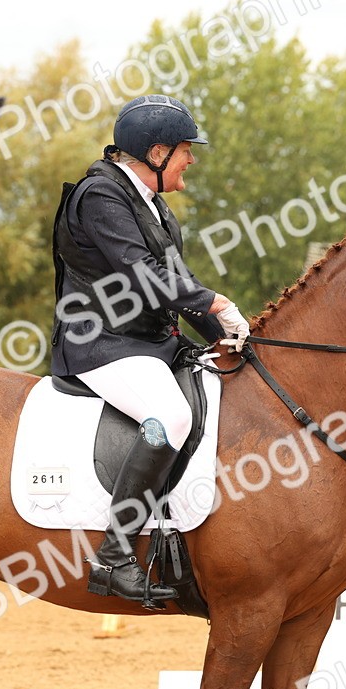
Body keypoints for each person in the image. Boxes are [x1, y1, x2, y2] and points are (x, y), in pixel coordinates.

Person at [50, 94, 249, 605]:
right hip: (100, 343)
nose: (192, 160)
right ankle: (116, 556)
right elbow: (144, 276)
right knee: (170, 418)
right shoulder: (101, 196)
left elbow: (173, 282)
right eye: (186, 149)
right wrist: (217, 301)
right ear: (157, 152)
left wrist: (225, 336)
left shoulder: (152, 204)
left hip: (148, 343)